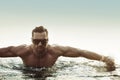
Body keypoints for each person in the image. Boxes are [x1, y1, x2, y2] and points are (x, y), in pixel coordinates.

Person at [0, 26, 115, 71]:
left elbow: (81, 52)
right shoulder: (23, 51)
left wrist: (104, 58)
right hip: (26, 74)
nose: (40, 44)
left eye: (43, 41)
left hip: (49, 74)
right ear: (31, 40)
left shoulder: (55, 51)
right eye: (36, 41)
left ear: (47, 40)